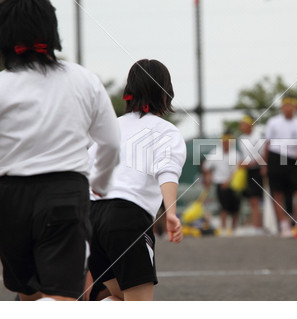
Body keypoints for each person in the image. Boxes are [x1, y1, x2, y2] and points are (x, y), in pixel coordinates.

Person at [0, 0, 121, 301]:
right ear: (52, 32)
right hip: (65, 192)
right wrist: (101, 183)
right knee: (64, 293)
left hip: (9, 195)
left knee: (25, 290)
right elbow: (111, 142)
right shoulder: (83, 80)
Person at [88, 59, 186, 301]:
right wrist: (171, 212)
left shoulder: (110, 127)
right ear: (166, 93)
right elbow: (167, 171)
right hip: (126, 217)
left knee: (119, 295)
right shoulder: (166, 131)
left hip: (90, 217)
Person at [263, 95, 297, 238]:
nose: (288, 108)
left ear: (295, 108)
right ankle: (283, 225)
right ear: (282, 108)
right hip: (276, 157)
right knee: (277, 193)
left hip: (291, 160)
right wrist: (264, 163)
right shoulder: (273, 122)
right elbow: (267, 143)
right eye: (285, 105)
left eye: (291, 105)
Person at [203, 133, 241, 234]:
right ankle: (223, 229)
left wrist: (228, 181)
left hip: (234, 184)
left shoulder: (235, 154)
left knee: (235, 208)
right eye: (224, 142)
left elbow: (237, 170)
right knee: (223, 207)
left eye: (228, 143)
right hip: (220, 183)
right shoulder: (215, 153)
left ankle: (234, 229)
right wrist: (208, 178)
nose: (226, 144)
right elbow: (206, 167)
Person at [238, 115, 264, 234]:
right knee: (252, 200)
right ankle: (256, 226)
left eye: (244, 124)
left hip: (258, 170)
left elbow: (263, 157)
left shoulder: (258, 137)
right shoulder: (241, 139)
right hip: (248, 171)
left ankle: (258, 226)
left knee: (256, 199)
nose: (241, 126)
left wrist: (248, 164)